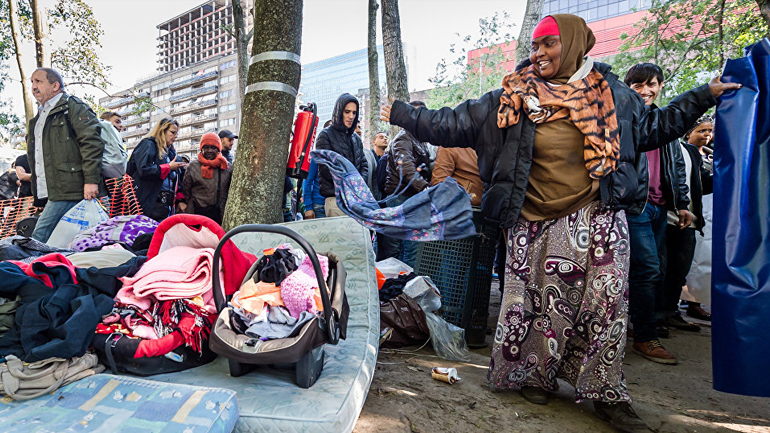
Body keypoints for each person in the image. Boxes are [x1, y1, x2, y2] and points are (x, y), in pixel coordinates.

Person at [381, 14, 738, 432]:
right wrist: (406, 114)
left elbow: (654, 128)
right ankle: (537, 375)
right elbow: (454, 123)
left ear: (572, 44)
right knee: (538, 308)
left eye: (548, 44)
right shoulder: (512, 96)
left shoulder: (613, 95)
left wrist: (704, 95)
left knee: (606, 307)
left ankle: (605, 392)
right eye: (535, 46)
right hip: (533, 222)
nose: (538, 53)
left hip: (597, 217)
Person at [624, 63, 695, 359]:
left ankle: (635, 325)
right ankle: (645, 336)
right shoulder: (622, 119)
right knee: (648, 268)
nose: (645, 90)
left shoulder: (664, 121)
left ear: (661, 86)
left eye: (652, 84)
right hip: (634, 207)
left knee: (654, 271)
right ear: (627, 88)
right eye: (638, 85)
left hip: (659, 208)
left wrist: (682, 204)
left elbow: (677, 166)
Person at [27, 68, 106, 243]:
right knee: (60, 242)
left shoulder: (73, 107)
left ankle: (27, 269)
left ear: (55, 85)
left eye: (38, 81)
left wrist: (91, 180)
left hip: (70, 189)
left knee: (38, 238)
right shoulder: (37, 118)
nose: (33, 87)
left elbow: (92, 143)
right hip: (50, 190)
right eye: (31, 82)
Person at [657, 114, 715, 334]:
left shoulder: (692, 153)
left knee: (678, 271)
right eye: (702, 130)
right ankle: (654, 317)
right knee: (658, 270)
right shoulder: (665, 147)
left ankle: (670, 313)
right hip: (666, 217)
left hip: (688, 221)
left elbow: (701, 183)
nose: (707, 135)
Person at [379, 101, 432, 268]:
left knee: (411, 250)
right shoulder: (403, 138)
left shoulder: (418, 140)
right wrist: (425, 187)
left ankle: (405, 288)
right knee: (395, 252)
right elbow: (407, 168)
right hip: (400, 200)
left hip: (410, 200)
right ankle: (394, 289)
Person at [682, 116, 715, 321]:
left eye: (709, 131)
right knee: (695, 257)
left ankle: (698, 299)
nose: (707, 135)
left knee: (707, 255)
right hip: (695, 208)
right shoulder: (685, 153)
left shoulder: (711, 155)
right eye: (702, 131)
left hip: (712, 209)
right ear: (689, 133)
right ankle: (691, 301)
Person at [316, 93, 368, 217]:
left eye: (354, 113)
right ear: (339, 112)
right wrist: (352, 183)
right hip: (335, 200)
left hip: (356, 200)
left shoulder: (356, 139)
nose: (351, 116)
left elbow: (364, 165)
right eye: (347, 112)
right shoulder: (325, 135)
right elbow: (326, 169)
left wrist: (358, 186)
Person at [126, 118, 187, 222]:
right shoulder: (148, 144)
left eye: (176, 133)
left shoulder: (171, 153)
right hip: (146, 202)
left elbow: (176, 181)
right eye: (172, 132)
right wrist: (167, 167)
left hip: (164, 205)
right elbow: (143, 169)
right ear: (162, 130)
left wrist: (180, 200)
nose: (175, 136)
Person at [178, 132, 231, 225]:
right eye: (206, 147)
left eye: (213, 147)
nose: (209, 150)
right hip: (196, 214)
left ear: (218, 149)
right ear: (201, 149)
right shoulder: (193, 166)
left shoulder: (226, 167)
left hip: (219, 216)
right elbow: (186, 190)